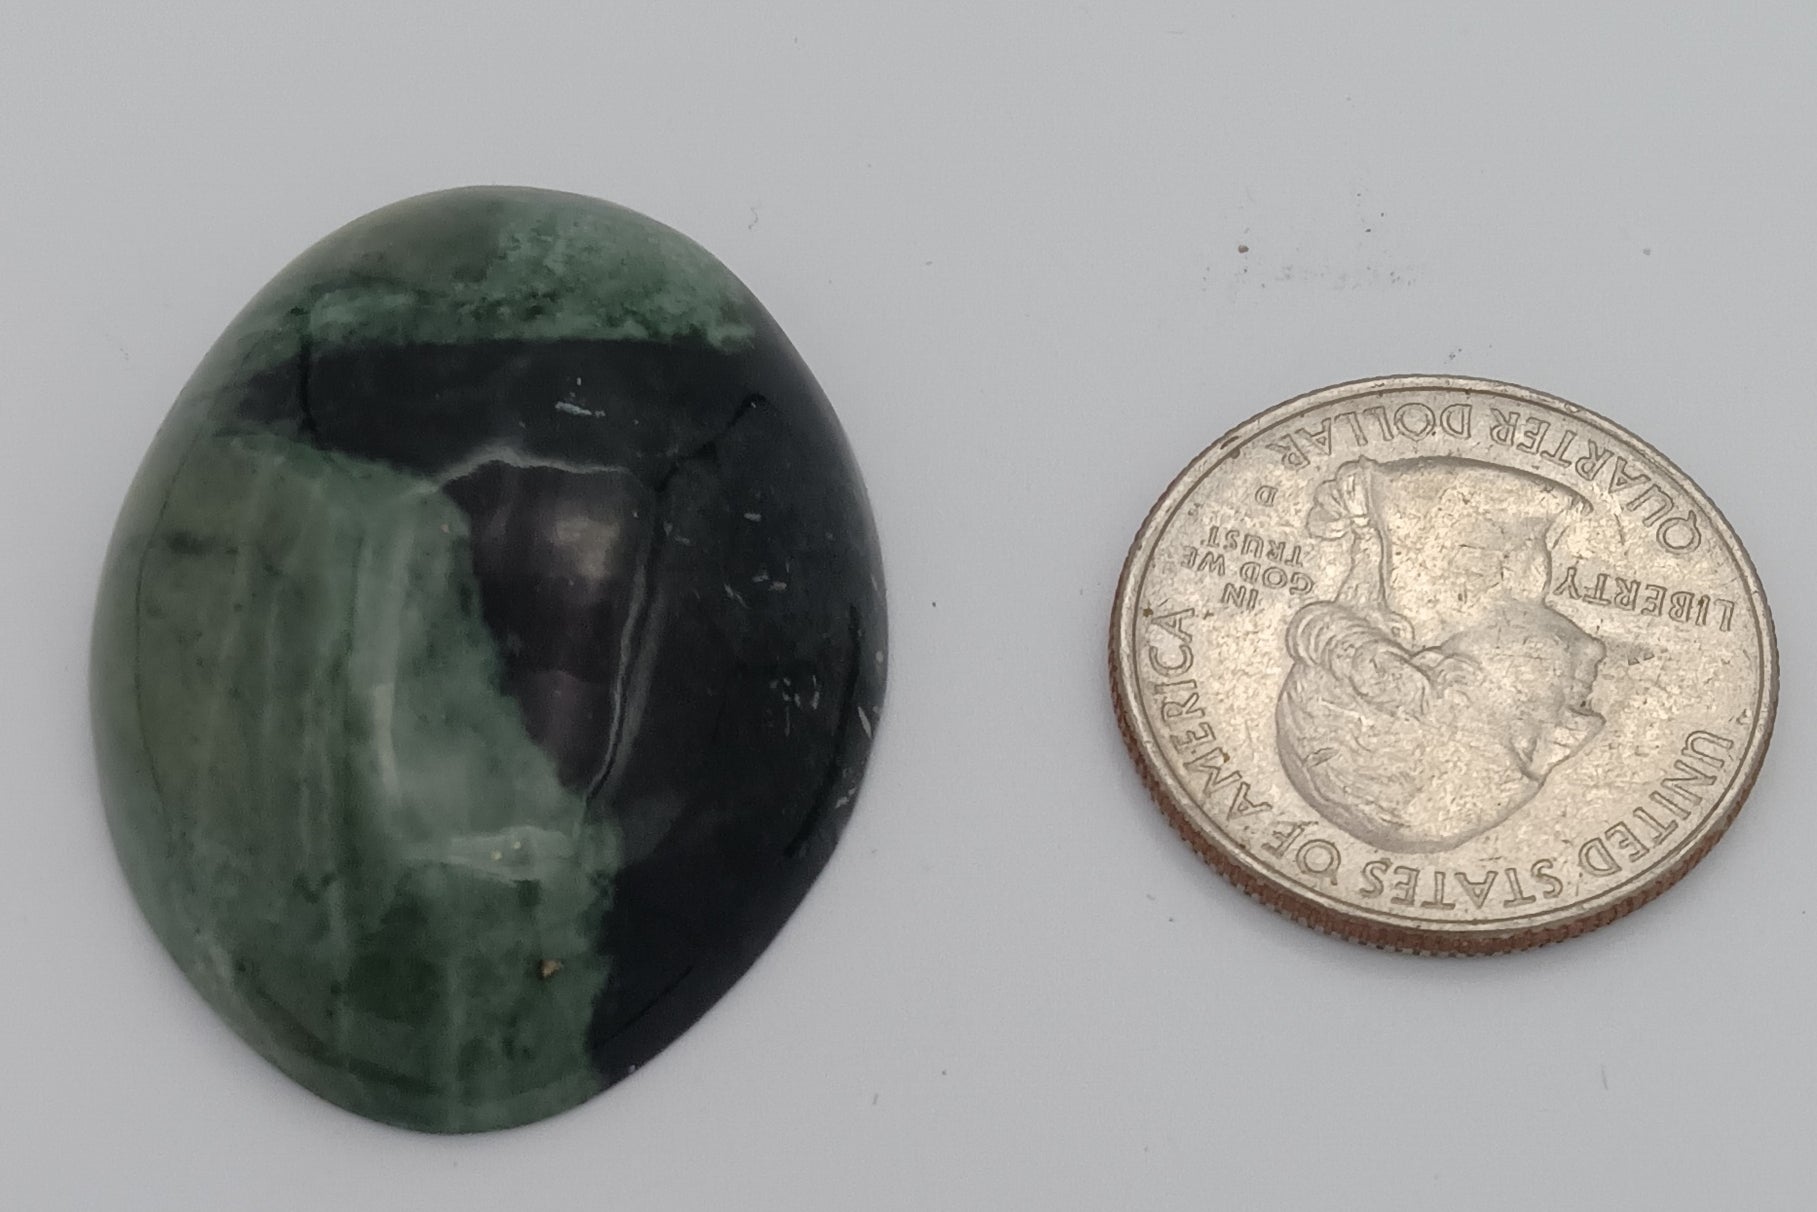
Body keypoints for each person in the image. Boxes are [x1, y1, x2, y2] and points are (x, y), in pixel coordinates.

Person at [1275, 456, 1606, 853]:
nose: (1578, 730)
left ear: (1436, 669)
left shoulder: (1466, 503)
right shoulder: (1508, 529)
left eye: (1527, 744)